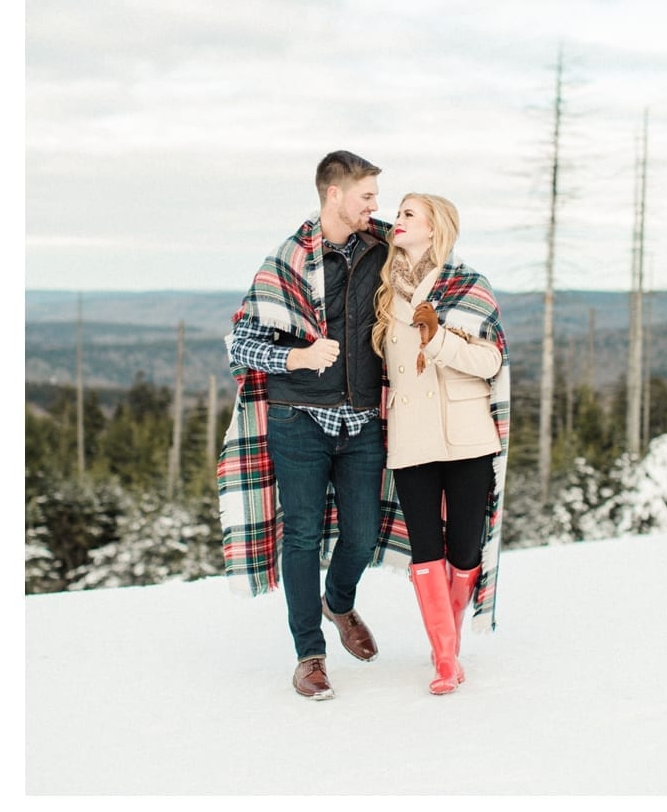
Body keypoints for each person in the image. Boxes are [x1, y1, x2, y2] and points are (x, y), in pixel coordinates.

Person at [218, 150, 409, 701]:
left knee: (363, 529)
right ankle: (309, 655)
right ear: (333, 195)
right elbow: (242, 342)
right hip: (298, 419)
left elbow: (432, 270)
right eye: (367, 195)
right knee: (300, 534)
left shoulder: (383, 249)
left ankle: (339, 601)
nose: (376, 205)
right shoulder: (286, 261)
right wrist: (297, 358)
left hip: (363, 418)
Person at [371, 192, 511, 695]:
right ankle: (446, 658)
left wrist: (439, 339)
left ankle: (445, 643)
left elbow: (490, 363)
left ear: (435, 228)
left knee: (465, 547)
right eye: (399, 214)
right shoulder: (385, 293)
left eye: (409, 214)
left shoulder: (469, 283)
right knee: (425, 548)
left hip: (467, 435)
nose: (399, 220)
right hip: (410, 438)